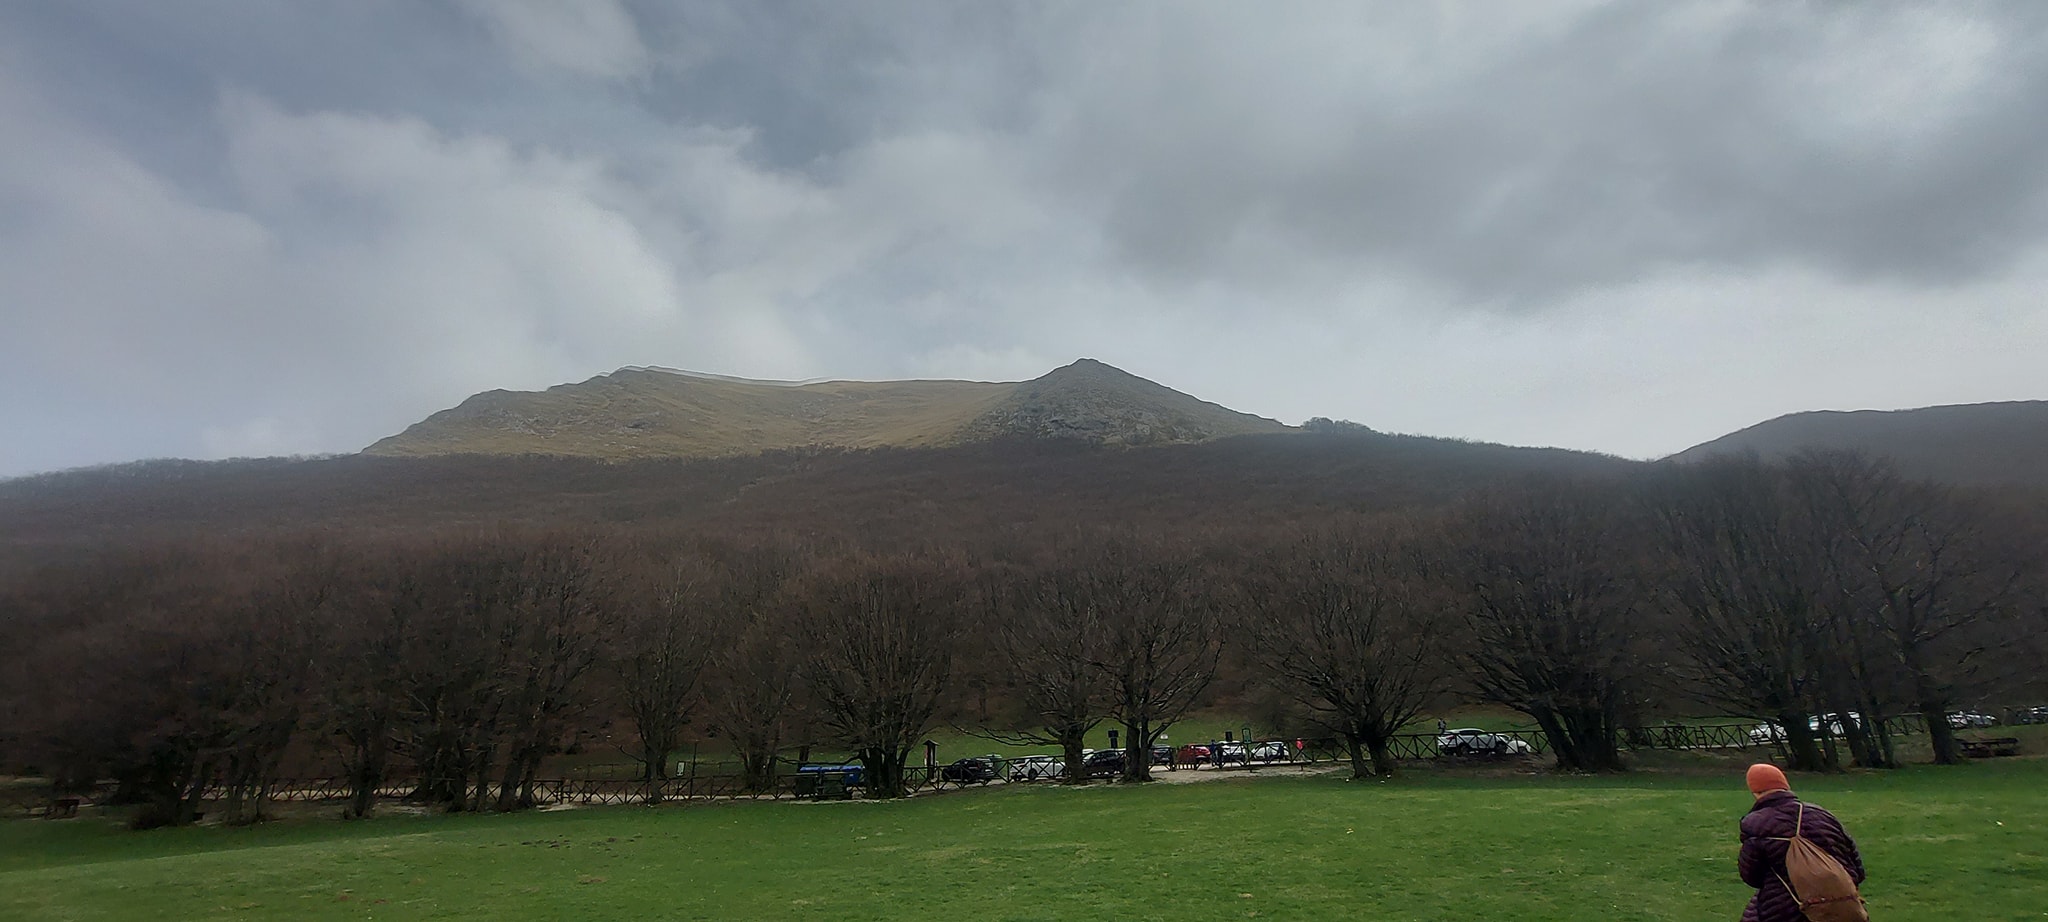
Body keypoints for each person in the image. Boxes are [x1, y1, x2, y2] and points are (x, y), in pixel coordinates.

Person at [1738, 763, 1865, 922]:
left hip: (1786, 906)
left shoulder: (1755, 823)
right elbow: (1855, 864)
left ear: (1754, 791)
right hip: (1841, 903)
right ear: (1785, 785)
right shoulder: (1823, 814)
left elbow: (1751, 875)